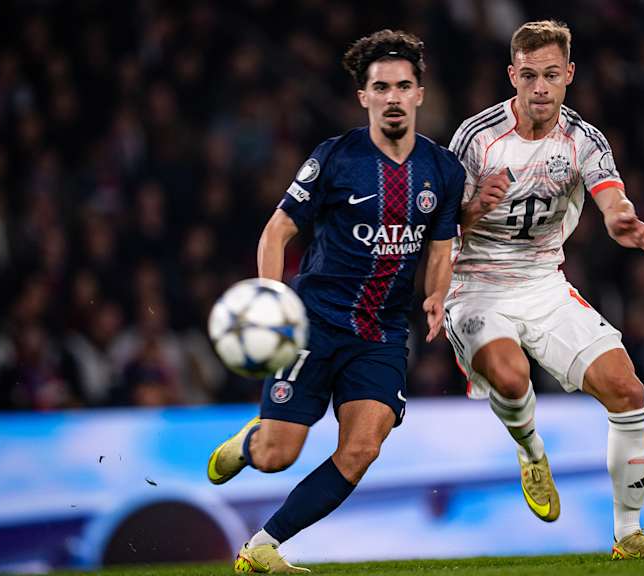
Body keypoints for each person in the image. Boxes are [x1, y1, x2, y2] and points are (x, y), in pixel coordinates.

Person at [207, 30, 463, 573]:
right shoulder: (333, 159)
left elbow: (441, 247)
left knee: (362, 447)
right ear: (363, 97)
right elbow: (277, 232)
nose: (393, 96)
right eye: (381, 87)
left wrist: (437, 293)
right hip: (313, 323)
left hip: (382, 332)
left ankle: (262, 547)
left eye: (403, 85)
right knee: (278, 457)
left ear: (419, 94)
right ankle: (250, 441)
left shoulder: (443, 171)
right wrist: (270, 298)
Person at [444, 20, 644, 559]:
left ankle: (629, 536)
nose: (540, 88)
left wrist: (621, 219)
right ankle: (531, 453)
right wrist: (473, 207)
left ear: (569, 74)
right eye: (529, 76)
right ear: (512, 76)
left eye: (551, 75)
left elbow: (611, 195)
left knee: (629, 393)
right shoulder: (476, 137)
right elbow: (438, 224)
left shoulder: (583, 139)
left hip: (544, 285)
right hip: (476, 287)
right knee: (510, 373)